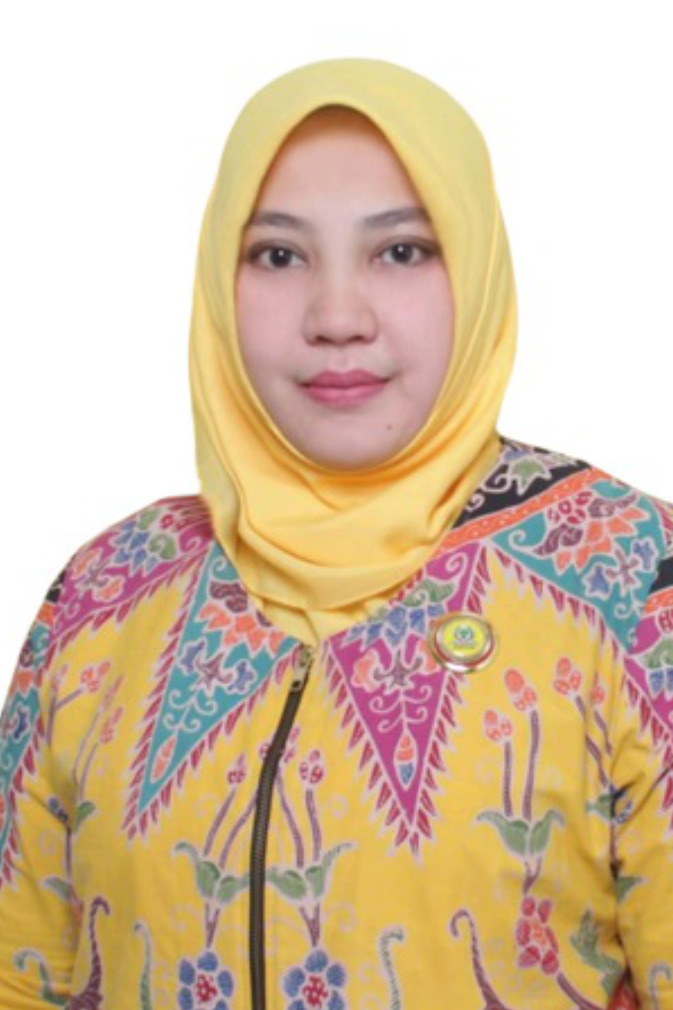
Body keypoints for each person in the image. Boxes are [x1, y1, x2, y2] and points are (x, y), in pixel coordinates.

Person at [0, 57, 671, 1010]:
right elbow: (21, 969)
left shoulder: (627, 579)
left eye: (401, 250)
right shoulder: (108, 589)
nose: (337, 317)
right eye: (278, 256)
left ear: (476, 268)